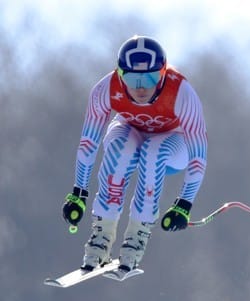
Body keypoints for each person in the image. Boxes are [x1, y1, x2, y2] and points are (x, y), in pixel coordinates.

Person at [61, 35, 207, 275]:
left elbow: (199, 152)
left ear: (162, 74)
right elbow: (89, 142)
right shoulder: (106, 89)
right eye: (131, 78)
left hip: (175, 142)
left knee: (154, 152)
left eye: (149, 78)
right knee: (121, 150)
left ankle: (136, 240)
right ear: (120, 74)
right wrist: (79, 193)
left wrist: (184, 203)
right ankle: (101, 237)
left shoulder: (180, 91)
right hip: (132, 130)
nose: (140, 87)